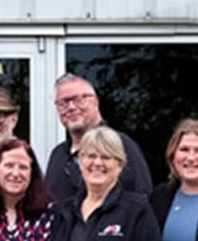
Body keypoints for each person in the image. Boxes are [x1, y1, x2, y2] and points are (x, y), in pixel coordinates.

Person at [44, 74, 152, 202]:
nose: (71, 107)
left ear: (95, 102)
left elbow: (142, 199)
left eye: (79, 99)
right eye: (63, 103)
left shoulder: (121, 146)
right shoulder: (58, 154)